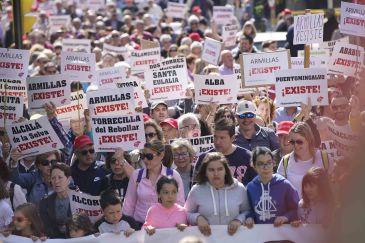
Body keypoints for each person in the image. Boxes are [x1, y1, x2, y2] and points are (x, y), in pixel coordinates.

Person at [123, 140, 185, 230]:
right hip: (139, 226)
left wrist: (178, 224)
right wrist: (126, 226)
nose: (145, 160)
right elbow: (128, 205)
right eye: (143, 156)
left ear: (161, 155)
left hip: (166, 228)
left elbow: (180, 204)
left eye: (149, 156)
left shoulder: (173, 175)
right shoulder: (136, 175)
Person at [185, 152, 250, 236]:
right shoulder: (196, 190)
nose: (216, 173)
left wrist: (239, 220)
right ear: (205, 172)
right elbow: (186, 213)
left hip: (235, 238)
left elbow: (247, 211)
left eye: (220, 169)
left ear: (226, 170)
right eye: (211, 170)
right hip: (206, 239)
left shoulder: (239, 188)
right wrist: (197, 218)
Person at [244, 147, 299, 227]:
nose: (265, 167)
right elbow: (249, 210)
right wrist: (250, 217)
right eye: (260, 164)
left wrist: (285, 217)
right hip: (259, 235)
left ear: (274, 163)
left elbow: (297, 210)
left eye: (269, 162)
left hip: (282, 234)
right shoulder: (250, 187)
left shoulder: (285, 185)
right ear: (253, 165)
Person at [277, 122, 333, 196]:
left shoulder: (324, 158)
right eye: (292, 142)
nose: (296, 145)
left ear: (309, 140)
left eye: (299, 142)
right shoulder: (285, 161)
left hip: (321, 206)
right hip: (294, 207)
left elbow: (333, 187)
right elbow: (279, 191)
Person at [195, 118, 256, 186]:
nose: (217, 142)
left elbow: (256, 186)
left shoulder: (247, 157)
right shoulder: (203, 159)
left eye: (222, 138)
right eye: (215, 137)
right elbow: (197, 187)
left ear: (232, 138)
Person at [39, 163, 72, 239]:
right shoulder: (45, 202)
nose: (56, 181)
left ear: (68, 180)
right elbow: (47, 228)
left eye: (60, 177)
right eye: (53, 178)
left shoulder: (80, 199)